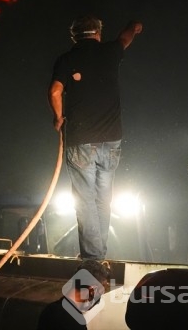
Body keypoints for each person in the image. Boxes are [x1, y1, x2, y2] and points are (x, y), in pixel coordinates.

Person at [48, 15, 143, 260]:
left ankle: (93, 258)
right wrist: (133, 26)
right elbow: (125, 37)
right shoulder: (110, 51)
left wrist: (58, 118)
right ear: (98, 33)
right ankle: (98, 254)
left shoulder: (67, 59)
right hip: (111, 140)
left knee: (85, 200)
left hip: (81, 139)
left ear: (74, 36)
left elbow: (55, 91)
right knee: (103, 199)